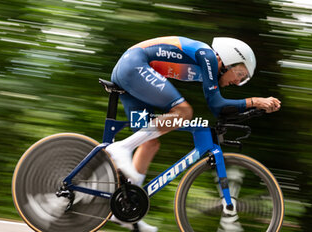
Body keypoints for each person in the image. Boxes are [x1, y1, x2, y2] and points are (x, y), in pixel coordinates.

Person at [106, 36, 281, 231]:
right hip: (134, 65)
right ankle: (121, 147)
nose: (238, 81)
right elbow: (216, 105)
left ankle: (127, 209)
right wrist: (255, 101)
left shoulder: (209, 65)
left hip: (131, 70)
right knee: (184, 112)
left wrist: (252, 109)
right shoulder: (208, 56)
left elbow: (218, 108)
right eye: (239, 73)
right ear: (227, 60)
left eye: (243, 79)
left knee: (150, 141)